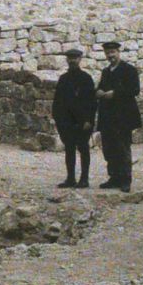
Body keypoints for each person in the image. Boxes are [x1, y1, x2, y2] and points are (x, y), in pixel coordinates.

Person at [95, 41, 141, 191]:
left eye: (113, 52)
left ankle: (125, 180)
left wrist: (115, 94)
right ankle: (114, 178)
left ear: (118, 52)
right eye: (107, 53)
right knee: (109, 149)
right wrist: (99, 91)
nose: (110, 56)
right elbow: (101, 87)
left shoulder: (129, 70)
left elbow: (134, 89)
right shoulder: (106, 71)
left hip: (123, 117)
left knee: (122, 148)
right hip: (108, 117)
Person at [50, 47, 96, 188]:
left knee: (83, 148)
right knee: (69, 149)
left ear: (80, 59)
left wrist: (89, 120)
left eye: (75, 58)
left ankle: (84, 179)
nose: (72, 61)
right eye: (70, 58)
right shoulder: (63, 79)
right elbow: (57, 101)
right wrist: (58, 120)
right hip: (66, 122)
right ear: (67, 60)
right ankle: (70, 178)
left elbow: (92, 102)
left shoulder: (86, 79)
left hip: (82, 122)